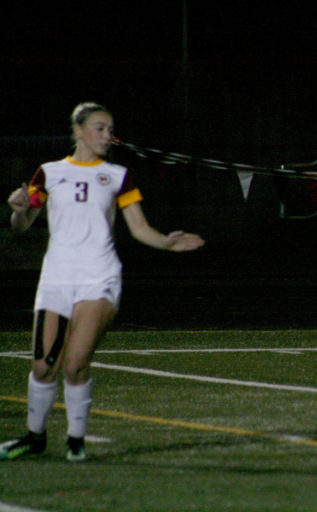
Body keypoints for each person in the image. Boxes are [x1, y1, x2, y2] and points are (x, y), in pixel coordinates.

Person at [1, 102, 205, 462]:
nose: (107, 136)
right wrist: (17, 209)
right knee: (43, 367)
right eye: (100, 127)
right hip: (57, 279)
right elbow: (23, 224)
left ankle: (75, 441)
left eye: (110, 129)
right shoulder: (48, 173)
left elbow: (139, 228)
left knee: (75, 362)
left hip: (99, 277)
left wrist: (167, 242)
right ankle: (34, 437)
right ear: (78, 130)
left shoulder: (117, 175)